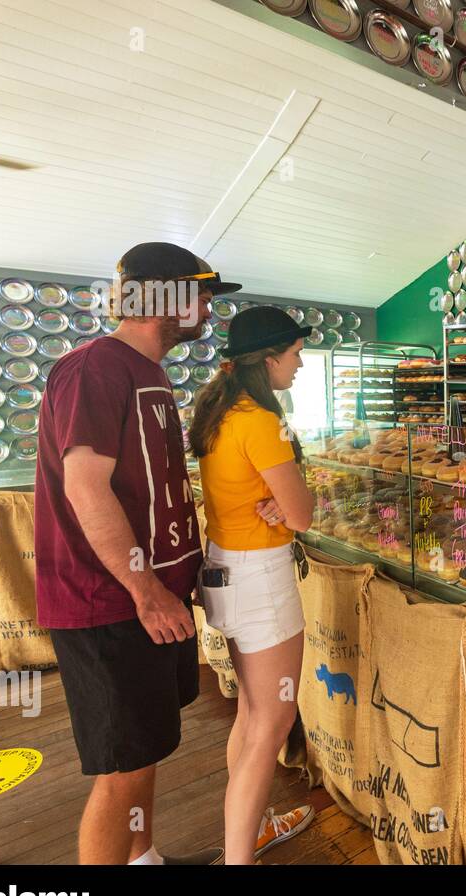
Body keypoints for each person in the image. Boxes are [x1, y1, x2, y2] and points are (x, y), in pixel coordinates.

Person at [35, 242, 238, 865]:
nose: (207, 308)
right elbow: (86, 487)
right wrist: (146, 589)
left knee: (143, 749)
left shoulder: (146, 370)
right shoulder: (95, 368)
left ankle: (142, 856)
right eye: (200, 294)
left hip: (148, 598)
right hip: (110, 605)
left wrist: (178, 577)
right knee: (120, 766)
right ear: (163, 296)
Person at [189, 307, 316, 865]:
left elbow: (272, 502)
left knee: (251, 714)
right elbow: (304, 513)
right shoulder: (261, 420)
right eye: (294, 355)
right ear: (268, 361)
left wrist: (277, 505)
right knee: (273, 723)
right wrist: (288, 504)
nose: (300, 364)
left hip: (224, 571)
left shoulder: (220, 411)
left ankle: (252, 828)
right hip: (260, 579)